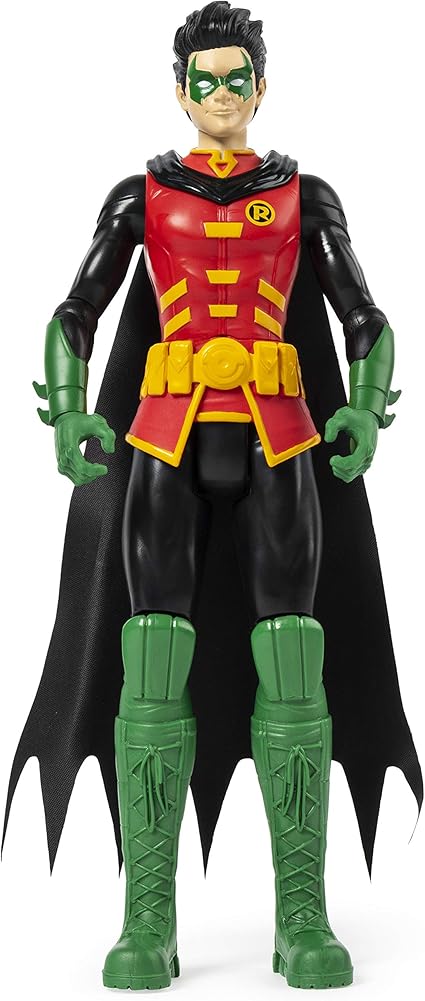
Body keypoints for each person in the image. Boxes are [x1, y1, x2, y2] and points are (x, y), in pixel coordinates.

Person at [3, 1, 422, 992]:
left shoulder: (302, 196)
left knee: (294, 649)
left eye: (238, 78)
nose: (222, 93)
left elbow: (362, 315)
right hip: (166, 433)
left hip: (279, 433)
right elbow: (76, 309)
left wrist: (364, 406)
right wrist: (68, 409)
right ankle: (146, 919)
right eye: (206, 79)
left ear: (261, 86)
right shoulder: (142, 195)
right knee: (150, 648)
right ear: (180, 89)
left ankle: (300, 915)